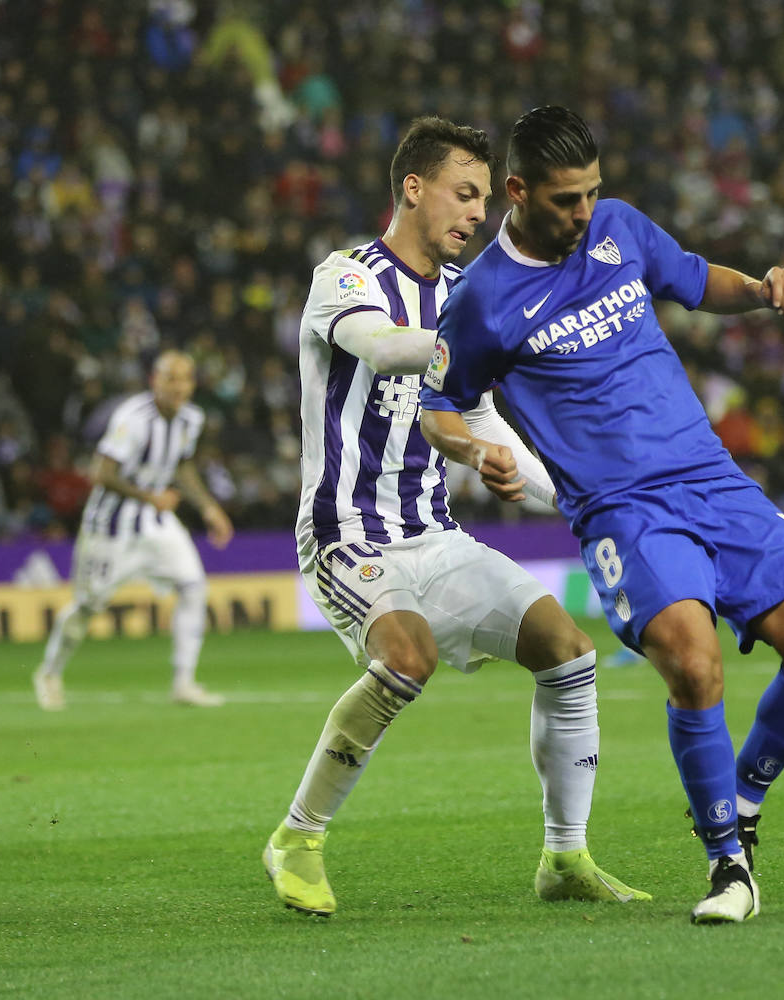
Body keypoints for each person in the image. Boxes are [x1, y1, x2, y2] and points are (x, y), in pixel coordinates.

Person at [419, 106, 784, 924]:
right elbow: (438, 406)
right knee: (694, 664)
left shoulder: (618, 230)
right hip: (623, 510)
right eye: (563, 200)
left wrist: (760, 290)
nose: (582, 214)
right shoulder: (481, 300)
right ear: (516, 191)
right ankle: (729, 864)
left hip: (712, 479)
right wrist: (477, 454)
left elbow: (693, 278)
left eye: (590, 194)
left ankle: (743, 798)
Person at [263, 115, 647, 917]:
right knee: (407, 657)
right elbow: (377, 346)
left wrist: (576, 499)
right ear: (414, 187)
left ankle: (565, 854)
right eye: (464, 193)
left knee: (568, 651)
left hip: (434, 535)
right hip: (347, 535)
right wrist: (496, 334)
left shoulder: (464, 295)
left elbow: (481, 421)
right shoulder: (347, 275)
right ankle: (298, 837)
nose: (479, 213)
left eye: (484, 198)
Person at [32, 350, 234, 710]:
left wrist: (208, 507)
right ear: (154, 381)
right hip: (111, 527)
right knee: (87, 606)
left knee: (193, 585)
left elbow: (183, 466)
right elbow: (102, 473)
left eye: (185, 378)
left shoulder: (191, 418)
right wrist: (149, 496)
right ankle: (49, 672)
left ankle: (183, 682)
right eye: (170, 378)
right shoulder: (133, 418)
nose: (178, 386)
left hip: (156, 525)